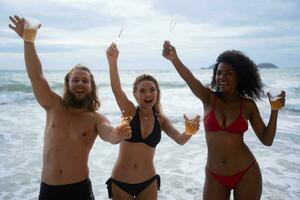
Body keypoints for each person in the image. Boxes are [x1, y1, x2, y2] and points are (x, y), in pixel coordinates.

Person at [8, 15, 132, 200]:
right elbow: (36, 76)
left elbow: (110, 135)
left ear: (91, 87)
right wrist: (28, 41)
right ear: (68, 83)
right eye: (75, 80)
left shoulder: (95, 118)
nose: (80, 84)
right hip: (48, 190)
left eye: (85, 80)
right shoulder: (52, 105)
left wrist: (119, 133)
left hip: (79, 190)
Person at [162, 41, 286, 200]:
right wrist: (174, 59)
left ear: (239, 77)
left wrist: (274, 110)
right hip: (214, 176)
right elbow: (189, 78)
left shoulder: (247, 105)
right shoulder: (208, 98)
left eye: (229, 73)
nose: (222, 77)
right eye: (219, 73)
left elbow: (267, 140)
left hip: (246, 173)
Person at [105, 43, 201, 199]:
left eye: (152, 89)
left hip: (148, 182)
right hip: (121, 182)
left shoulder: (161, 120)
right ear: (136, 95)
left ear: (157, 93)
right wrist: (112, 61)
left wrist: (190, 130)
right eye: (142, 91)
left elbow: (180, 139)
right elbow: (117, 90)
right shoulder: (129, 112)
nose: (148, 94)